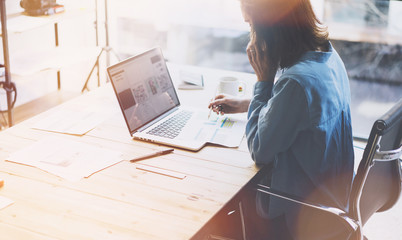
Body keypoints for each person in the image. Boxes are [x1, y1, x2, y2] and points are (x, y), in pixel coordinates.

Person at [208, 0, 355, 239]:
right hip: (332, 203)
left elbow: (259, 149)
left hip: (301, 216)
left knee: (215, 207)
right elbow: (302, 111)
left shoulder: (297, 81)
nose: (251, 36)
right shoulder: (327, 56)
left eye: (251, 23)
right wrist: (247, 104)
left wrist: (263, 82)